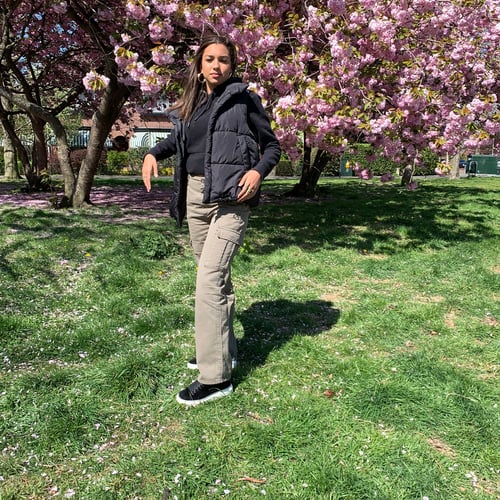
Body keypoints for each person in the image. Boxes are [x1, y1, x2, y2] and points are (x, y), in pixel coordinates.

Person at [142, 34, 281, 406]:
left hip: (231, 197)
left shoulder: (244, 99)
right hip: (195, 197)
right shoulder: (192, 102)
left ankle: (216, 378)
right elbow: (179, 141)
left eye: (223, 60)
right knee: (216, 278)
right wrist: (153, 153)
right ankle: (223, 351)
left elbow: (272, 146)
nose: (216, 65)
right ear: (199, 64)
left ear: (232, 66)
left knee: (208, 280)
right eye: (209, 59)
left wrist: (258, 172)